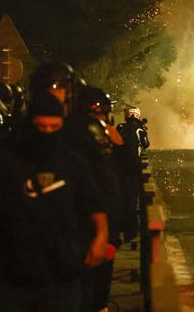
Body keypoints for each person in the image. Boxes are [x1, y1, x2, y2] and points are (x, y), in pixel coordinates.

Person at [0, 93, 108, 312]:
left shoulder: (73, 163)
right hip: (12, 271)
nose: (47, 133)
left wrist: (101, 236)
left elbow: (94, 204)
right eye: (42, 126)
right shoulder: (6, 161)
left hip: (61, 273)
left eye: (53, 127)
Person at [66, 86, 122, 312]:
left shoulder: (65, 134)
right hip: (86, 226)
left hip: (80, 226)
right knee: (92, 294)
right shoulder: (93, 138)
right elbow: (112, 185)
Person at [117, 106, 149, 242]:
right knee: (133, 198)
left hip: (118, 167)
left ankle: (121, 226)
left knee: (121, 197)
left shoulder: (120, 127)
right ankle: (132, 229)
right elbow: (146, 144)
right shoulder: (139, 129)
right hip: (134, 168)